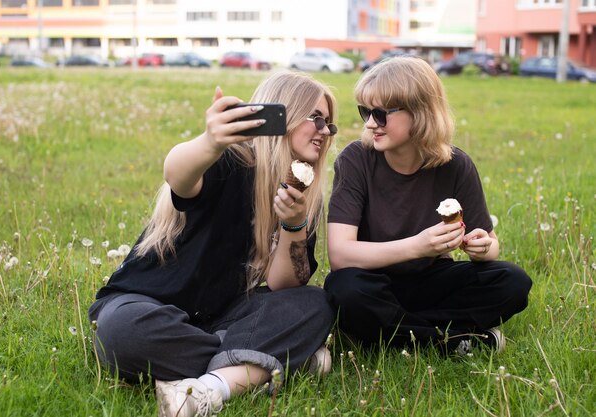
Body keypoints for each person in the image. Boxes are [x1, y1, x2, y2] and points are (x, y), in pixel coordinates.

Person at [88, 70, 337, 417]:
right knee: (120, 332)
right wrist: (210, 142)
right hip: (148, 305)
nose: (325, 132)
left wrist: (294, 224)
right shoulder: (232, 160)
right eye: (316, 119)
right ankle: (267, 360)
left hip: (223, 316)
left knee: (314, 303)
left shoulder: (303, 194)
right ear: (285, 114)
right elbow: (177, 176)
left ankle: (213, 386)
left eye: (330, 124)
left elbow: (284, 284)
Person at [324, 56, 532, 354]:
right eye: (365, 112)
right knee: (344, 290)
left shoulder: (456, 165)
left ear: (420, 112)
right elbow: (340, 255)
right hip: (374, 279)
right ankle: (450, 340)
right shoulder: (356, 159)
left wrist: (481, 246)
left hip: (432, 281)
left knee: (512, 282)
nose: (370, 124)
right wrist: (419, 246)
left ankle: (389, 333)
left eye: (381, 114)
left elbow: (491, 244)